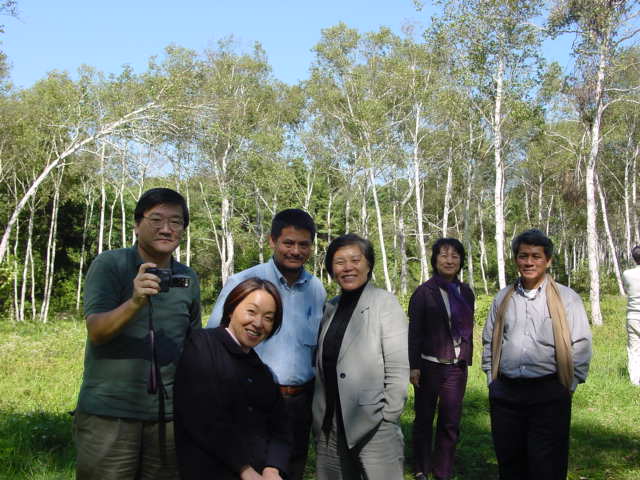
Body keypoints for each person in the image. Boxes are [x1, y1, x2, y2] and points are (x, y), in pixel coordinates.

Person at [73, 187, 201, 480]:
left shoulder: (187, 277)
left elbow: (194, 343)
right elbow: (96, 331)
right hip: (110, 415)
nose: (166, 229)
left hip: (168, 419)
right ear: (136, 224)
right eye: (156, 220)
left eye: (176, 222)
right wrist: (134, 302)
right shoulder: (111, 264)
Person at [207, 209, 326, 480]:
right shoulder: (244, 283)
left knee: (289, 469)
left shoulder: (316, 289)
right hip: (250, 400)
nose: (295, 251)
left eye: (303, 244)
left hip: (300, 402)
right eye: (288, 243)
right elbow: (215, 342)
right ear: (272, 241)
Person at [482, 229, 592, 480]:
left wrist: (569, 385)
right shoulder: (503, 297)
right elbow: (489, 340)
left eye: (536, 256)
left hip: (549, 392)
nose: (529, 262)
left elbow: (581, 344)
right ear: (515, 260)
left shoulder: (567, 298)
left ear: (548, 261)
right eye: (523, 256)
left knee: (547, 464)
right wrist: (492, 380)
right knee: (510, 461)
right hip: (506, 393)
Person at [312, 233, 409, 480]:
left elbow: (398, 367)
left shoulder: (384, 303)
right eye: (339, 262)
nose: (348, 268)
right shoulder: (330, 307)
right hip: (330, 423)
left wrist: (388, 416)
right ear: (331, 269)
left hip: (373, 423)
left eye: (355, 260)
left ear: (368, 264)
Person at [174, 278, 290, 480]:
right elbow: (201, 416)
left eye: (269, 318)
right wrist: (245, 469)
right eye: (251, 311)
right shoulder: (202, 345)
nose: (258, 323)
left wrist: (273, 467)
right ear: (231, 309)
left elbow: (280, 425)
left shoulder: (260, 369)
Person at [408, 238, 475, 480]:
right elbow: (414, 332)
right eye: (444, 255)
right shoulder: (424, 293)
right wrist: (414, 366)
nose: (449, 260)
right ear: (435, 260)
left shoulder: (465, 292)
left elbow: (469, 328)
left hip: (456, 368)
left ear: (461, 261)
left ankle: (443, 470)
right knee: (424, 418)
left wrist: (466, 356)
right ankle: (421, 468)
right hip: (429, 366)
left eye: (455, 256)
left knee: (450, 421)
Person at [622, 245, 640, 386]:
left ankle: (635, 381)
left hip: (633, 316)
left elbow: (627, 290)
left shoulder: (627, 274)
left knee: (634, 350)